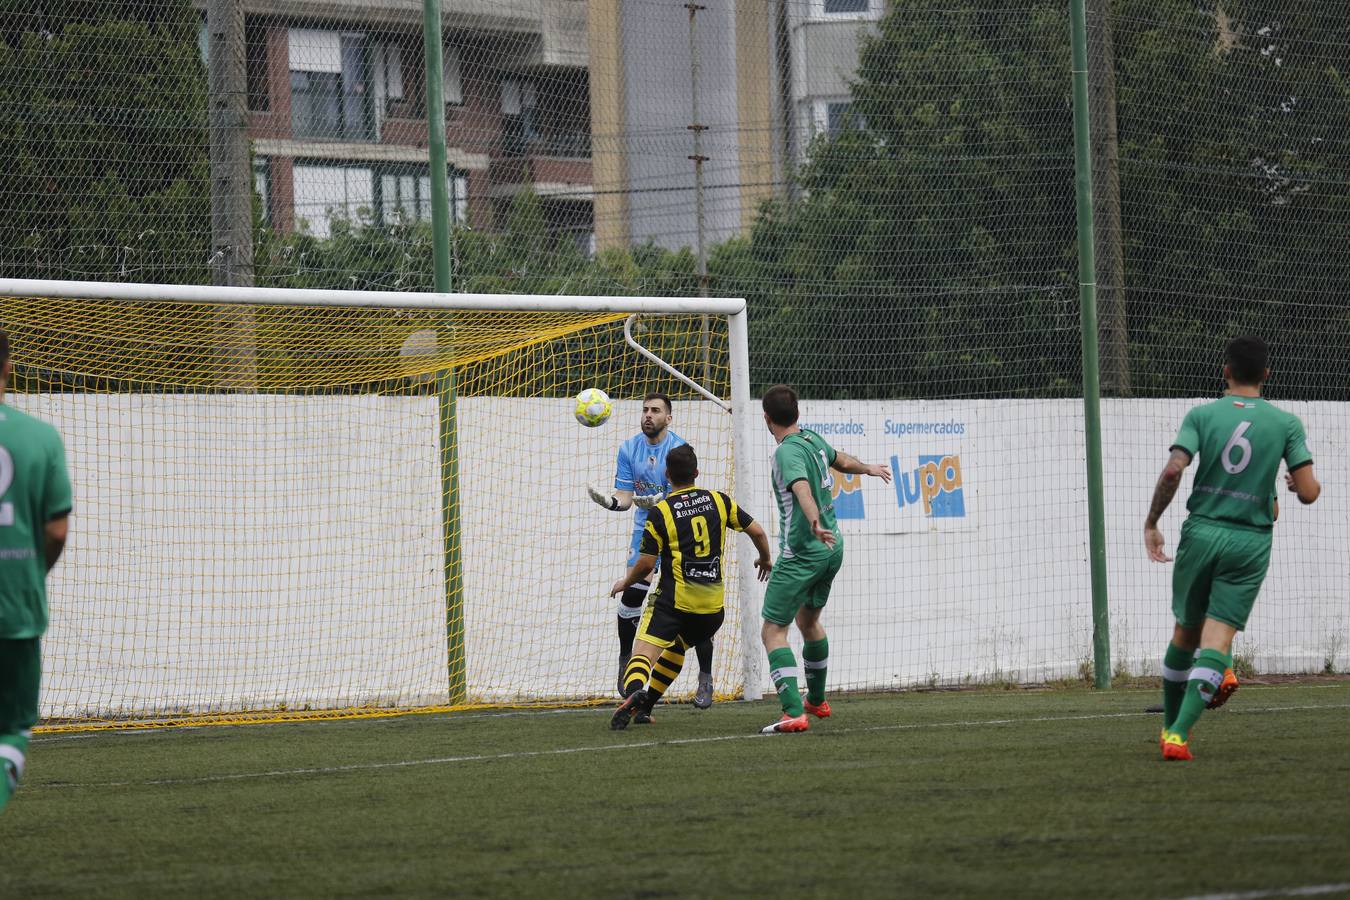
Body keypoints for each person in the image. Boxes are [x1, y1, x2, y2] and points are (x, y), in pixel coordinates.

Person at [1145, 336, 1319, 761]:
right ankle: (1178, 736)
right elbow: (1310, 493)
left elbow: (1172, 471)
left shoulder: (1202, 415)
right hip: (1249, 542)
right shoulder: (1286, 424)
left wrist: (1152, 522)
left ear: (1225, 371)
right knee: (1217, 642)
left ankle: (1169, 727)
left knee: (1185, 632)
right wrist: (1297, 484)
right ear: (1267, 375)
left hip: (1201, 532)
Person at [608, 444, 772, 729]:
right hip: (711, 611)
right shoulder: (720, 501)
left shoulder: (661, 512)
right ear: (696, 472)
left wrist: (626, 582)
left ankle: (635, 691)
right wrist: (765, 558)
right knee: (677, 649)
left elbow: (646, 565)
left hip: (673, 604)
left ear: (667, 476)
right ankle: (644, 707)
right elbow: (757, 530)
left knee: (643, 653)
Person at [757, 384, 891, 734]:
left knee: (773, 630)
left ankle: (792, 712)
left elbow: (801, 489)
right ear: (798, 414)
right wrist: (869, 469)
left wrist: (814, 523)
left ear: (766, 419)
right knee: (808, 622)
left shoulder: (786, 453)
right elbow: (842, 460)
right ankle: (815, 700)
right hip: (832, 551)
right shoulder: (813, 439)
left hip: (802, 552)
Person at [587, 392, 717, 708]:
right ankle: (626, 656)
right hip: (647, 530)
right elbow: (626, 495)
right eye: (645, 410)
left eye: (655, 410)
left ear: (668, 418)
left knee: (696, 606)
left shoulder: (679, 449)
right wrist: (613, 503)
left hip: (679, 528)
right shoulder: (629, 448)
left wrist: (660, 500)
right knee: (631, 596)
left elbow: (684, 493)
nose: (648, 415)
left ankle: (706, 675)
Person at [0, 328, 72, 812]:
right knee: (11, 730)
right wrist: (30, 574)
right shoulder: (40, 437)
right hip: (15, 610)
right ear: (8, 365)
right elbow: (57, 532)